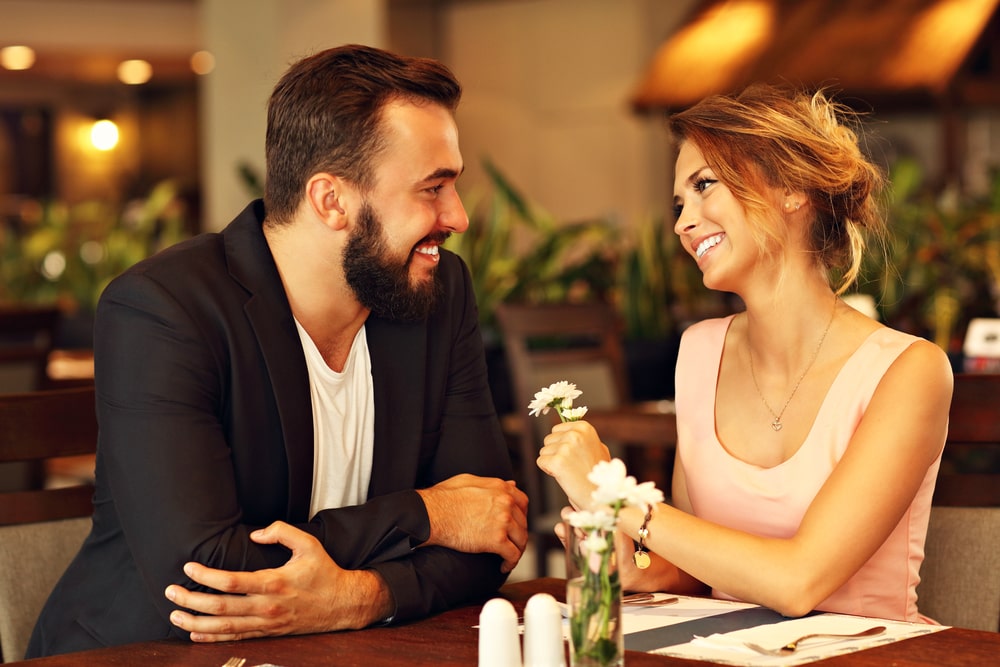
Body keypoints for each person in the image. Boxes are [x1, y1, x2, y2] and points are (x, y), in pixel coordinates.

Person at [27, 44, 528, 657]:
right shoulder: (164, 309)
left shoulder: (438, 294)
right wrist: (426, 515)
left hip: (343, 648)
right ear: (331, 200)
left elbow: (493, 529)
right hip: (150, 652)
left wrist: (360, 597)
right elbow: (206, 570)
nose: (457, 216)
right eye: (433, 188)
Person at [538, 83, 953, 623]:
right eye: (679, 203)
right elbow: (700, 568)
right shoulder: (699, 353)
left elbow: (799, 580)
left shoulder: (909, 372)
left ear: (792, 190)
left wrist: (618, 500)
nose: (682, 223)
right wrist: (634, 563)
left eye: (704, 185)